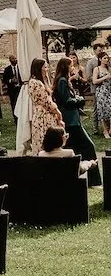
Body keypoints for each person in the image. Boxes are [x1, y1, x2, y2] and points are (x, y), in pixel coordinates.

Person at [52, 56, 101, 186]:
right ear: (66, 67)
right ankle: (94, 179)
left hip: (72, 119)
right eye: (71, 65)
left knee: (73, 149)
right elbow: (67, 101)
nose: (73, 67)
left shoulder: (65, 80)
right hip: (71, 120)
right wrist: (80, 100)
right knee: (88, 146)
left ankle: (77, 179)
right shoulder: (62, 81)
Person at [28, 58, 63, 155]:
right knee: (43, 140)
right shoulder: (35, 82)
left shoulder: (43, 81)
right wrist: (58, 112)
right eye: (45, 67)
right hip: (43, 116)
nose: (47, 69)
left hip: (48, 115)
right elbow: (46, 101)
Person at [85, 42, 105, 135]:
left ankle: (106, 127)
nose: (101, 52)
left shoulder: (106, 61)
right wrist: (98, 78)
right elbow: (88, 77)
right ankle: (95, 128)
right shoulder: (91, 62)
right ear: (94, 51)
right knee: (96, 108)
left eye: (102, 50)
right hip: (96, 88)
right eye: (99, 50)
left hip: (106, 89)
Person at [92, 51, 111, 138]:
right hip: (101, 91)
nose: (106, 60)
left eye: (107, 58)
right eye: (104, 58)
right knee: (102, 110)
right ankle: (105, 130)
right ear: (100, 59)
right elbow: (94, 81)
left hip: (109, 90)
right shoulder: (97, 69)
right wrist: (105, 77)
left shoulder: (109, 68)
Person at [2, 54, 21, 121]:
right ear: (10, 60)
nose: (15, 60)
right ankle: (15, 118)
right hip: (12, 90)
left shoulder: (20, 68)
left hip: (20, 88)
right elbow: (4, 80)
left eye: (15, 58)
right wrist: (11, 80)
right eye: (13, 58)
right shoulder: (7, 69)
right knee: (13, 104)